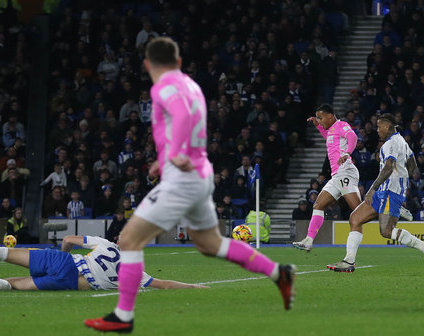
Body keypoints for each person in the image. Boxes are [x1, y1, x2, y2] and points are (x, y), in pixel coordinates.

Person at [83, 37, 296, 333]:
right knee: (211, 244)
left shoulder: (163, 87)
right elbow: (186, 118)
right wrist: (166, 156)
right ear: (179, 62)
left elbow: (181, 116)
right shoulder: (192, 86)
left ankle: (123, 316)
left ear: (147, 65)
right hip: (200, 173)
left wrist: (174, 153)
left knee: (129, 240)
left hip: (182, 177)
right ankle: (278, 272)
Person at [293, 104, 413, 252]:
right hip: (337, 175)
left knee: (357, 212)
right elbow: (329, 138)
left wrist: (348, 153)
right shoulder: (332, 131)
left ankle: (391, 207)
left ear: (330, 116)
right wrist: (318, 126)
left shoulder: (341, 125)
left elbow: (353, 136)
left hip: (345, 172)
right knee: (318, 205)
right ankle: (309, 241)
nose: (319, 120)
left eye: (321, 117)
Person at [327, 114, 424, 272]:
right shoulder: (402, 142)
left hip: (389, 192)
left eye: (379, 127)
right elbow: (413, 166)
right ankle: (349, 261)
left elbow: (388, 168)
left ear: (387, 127)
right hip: (387, 191)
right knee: (355, 219)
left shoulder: (390, 144)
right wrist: (403, 181)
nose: (377, 130)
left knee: (386, 231)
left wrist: (372, 189)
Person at [0, 235, 206, 292]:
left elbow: (69, 239)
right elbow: (165, 284)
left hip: (65, 260)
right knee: (15, 285)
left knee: (5, 253)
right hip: (70, 281)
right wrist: (194, 287)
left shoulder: (106, 244)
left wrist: (61, 251)